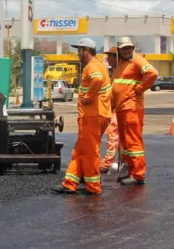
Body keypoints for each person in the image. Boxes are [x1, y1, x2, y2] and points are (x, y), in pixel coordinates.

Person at [53, 38, 112, 196]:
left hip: (92, 115)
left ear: (87, 50)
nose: (77, 53)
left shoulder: (92, 66)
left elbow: (97, 80)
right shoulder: (99, 65)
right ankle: (70, 183)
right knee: (81, 150)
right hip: (98, 114)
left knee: (90, 151)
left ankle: (93, 186)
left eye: (79, 50)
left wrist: (89, 97)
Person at [111, 36, 158, 186]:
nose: (126, 51)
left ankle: (138, 174)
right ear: (119, 50)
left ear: (132, 48)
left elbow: (152, 73)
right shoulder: (121, 64)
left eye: (129, 48)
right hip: (122, 107)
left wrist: (139, 89)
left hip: (132, 107)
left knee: (133, 141)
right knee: (125, 141)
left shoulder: (137, 60)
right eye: (124, 48)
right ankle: (130, 171)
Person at [101, 47, 120, 174]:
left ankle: (108, 162)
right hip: (116, 108)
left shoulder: (120, 71)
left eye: (110, 56)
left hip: (120, 108)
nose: (107, 59)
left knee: (112, 134)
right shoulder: (115, 71)